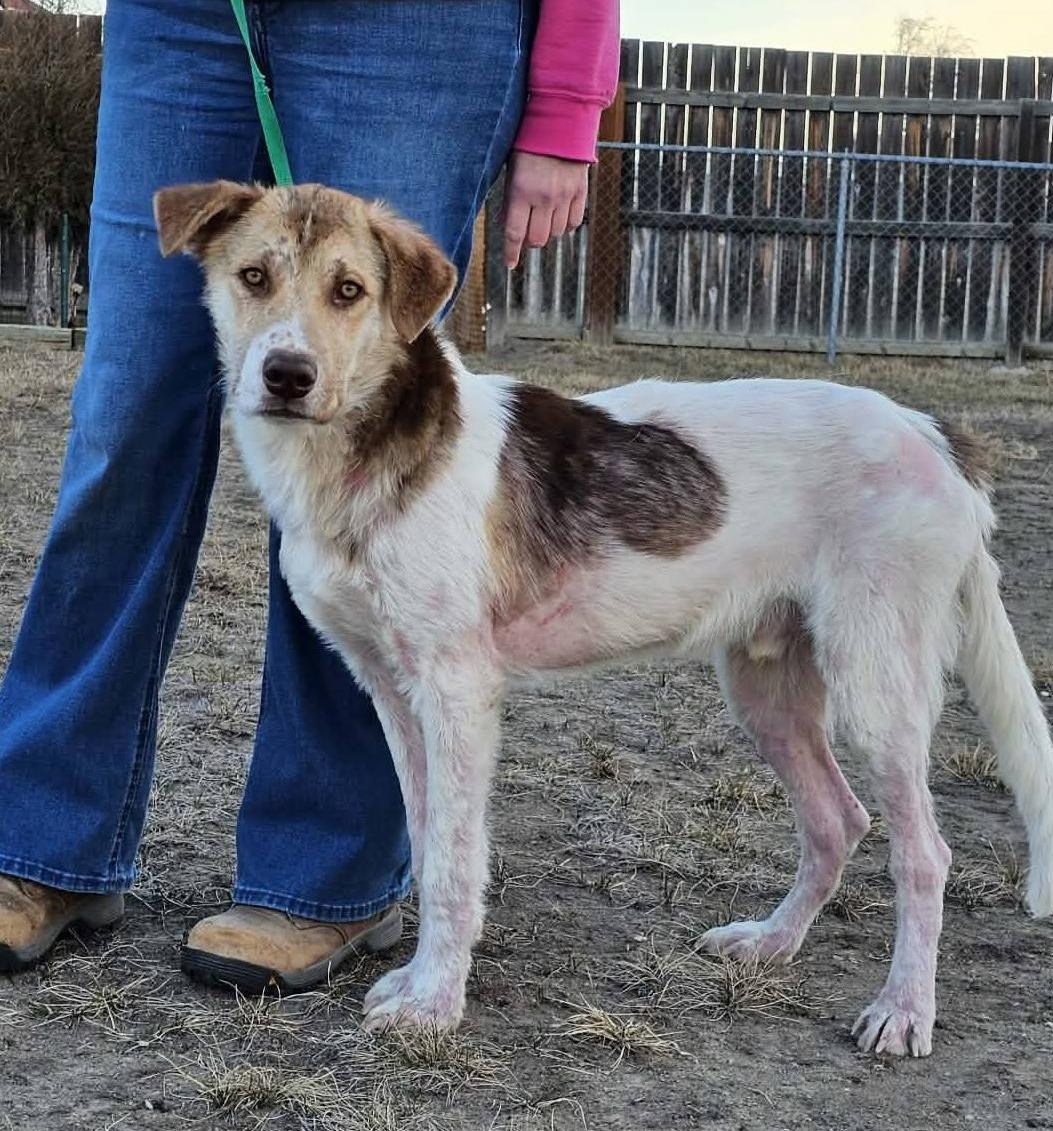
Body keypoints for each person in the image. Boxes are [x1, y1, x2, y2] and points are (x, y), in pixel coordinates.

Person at [0, 0, 618, 990]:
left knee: (361, 450)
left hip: (413, 29)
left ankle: (323, 875)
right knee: (122, 415)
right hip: (184, 15)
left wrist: (566, 97)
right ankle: (39, 841)